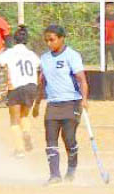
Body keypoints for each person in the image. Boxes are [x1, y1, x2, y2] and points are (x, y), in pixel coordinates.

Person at [32, 25, 89, 185]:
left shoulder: (72, 56)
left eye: (52, 40)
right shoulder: (45, 58)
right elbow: (42, 83)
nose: (49, 43)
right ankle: (55, 175)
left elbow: (82, 80)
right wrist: (37, 103)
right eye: (46, 40)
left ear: (61, 39)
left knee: (69, 138)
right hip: (53, 104)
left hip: (71, 102)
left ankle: (71, 170)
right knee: (50, 140)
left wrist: (84, 99)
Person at [0, 25, 41, 158]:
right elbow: (40, 70)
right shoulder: (32, 54)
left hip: (16, 88)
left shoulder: (9, 53)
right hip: (31, 87)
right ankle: (26, 132)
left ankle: (19, 149)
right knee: (24, 116)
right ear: (26, 40)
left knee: (14, 120)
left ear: (14, 40)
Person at [96, 2, 114, 71]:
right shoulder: (102, 15)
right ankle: (104, 72)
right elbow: (96, 24)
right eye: (107, 7)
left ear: (113, 6)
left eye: (110, 6)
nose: (108, 8)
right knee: (104, 59)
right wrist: (99, 28)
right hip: (104, 41)